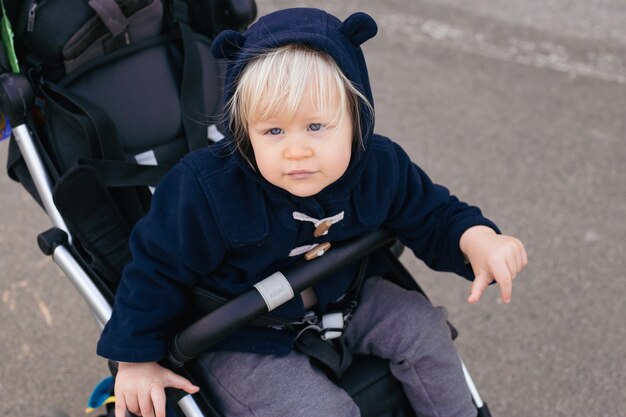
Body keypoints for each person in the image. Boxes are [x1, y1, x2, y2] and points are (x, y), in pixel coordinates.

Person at [97, 7, 528, 417]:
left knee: (423, 330)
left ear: (356, 118)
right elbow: (155, 270)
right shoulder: (206, 189)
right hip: (240, 334)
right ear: (245, 132)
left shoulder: (378, 166)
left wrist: (477, 238)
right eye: (274, 131)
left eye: (317, 127)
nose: (296, 150)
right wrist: (135, 362)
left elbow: (433, 213)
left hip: (345, 295)